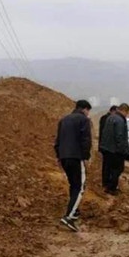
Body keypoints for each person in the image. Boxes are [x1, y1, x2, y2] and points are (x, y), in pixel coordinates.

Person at [54, 99, 92, 231]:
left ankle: (74, 211)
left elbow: (58, 140)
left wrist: (59, 156)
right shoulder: (84, 120)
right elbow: (86, 140)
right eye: (88, 111)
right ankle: (68, 217)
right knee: (80, 186)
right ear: (85, 109)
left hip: (64, 157)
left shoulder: (63, 120)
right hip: (76, 157)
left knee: (73, 185)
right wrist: (86, 157)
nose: (88, 114)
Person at [100, 102, 129, 195]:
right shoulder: (120, 120)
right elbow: (119, 136)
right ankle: (111, 188)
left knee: (108, 168)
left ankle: (107, 184)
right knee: (118, 169)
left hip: (107, 148)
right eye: (127, 113)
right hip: (115, 150)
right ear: (124, 111)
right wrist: (122, 150)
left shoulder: (110, 117)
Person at [98, 105, 118, 187]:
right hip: (107, 146)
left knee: (107, 165)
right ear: (112, 111)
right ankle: (106, 182)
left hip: (105, 145)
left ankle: (107, 182)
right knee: (107, 165)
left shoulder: (105, 118)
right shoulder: (106, 119)